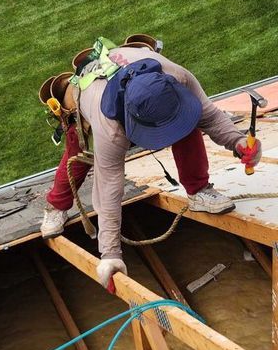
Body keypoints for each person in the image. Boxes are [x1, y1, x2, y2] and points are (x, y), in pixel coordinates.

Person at [40, 41, 261, 290]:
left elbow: (209, 115)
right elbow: (108, 187)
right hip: (89, 91)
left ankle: (198, 191)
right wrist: (110, 253)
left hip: (131, 72)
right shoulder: (109, 127)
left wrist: (239, 142)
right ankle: (56, 206)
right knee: (79, 152)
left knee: (185, 123)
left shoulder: (178, 78)